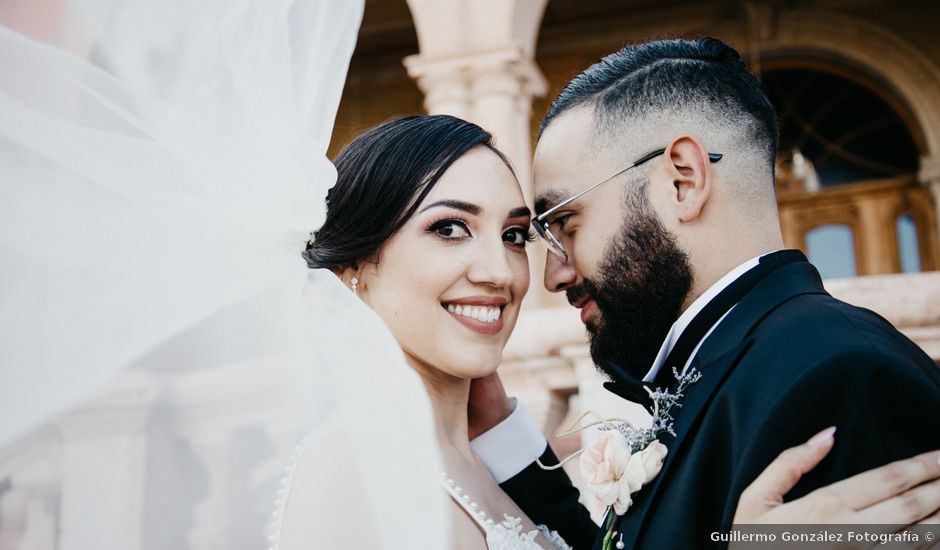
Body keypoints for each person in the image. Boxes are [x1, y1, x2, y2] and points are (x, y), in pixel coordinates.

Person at [279, 114, 940, 549]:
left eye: (515, 235)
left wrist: (510, 443)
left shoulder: (481, 465)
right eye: (450, 227)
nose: (505, 272)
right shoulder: (349, 472)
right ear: (350, 271)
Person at [467, 37, 940, 549]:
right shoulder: (723, 361)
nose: (553, 276)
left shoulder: (842, 379)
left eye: (566, 223)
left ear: (683, 181)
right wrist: (505, 439)